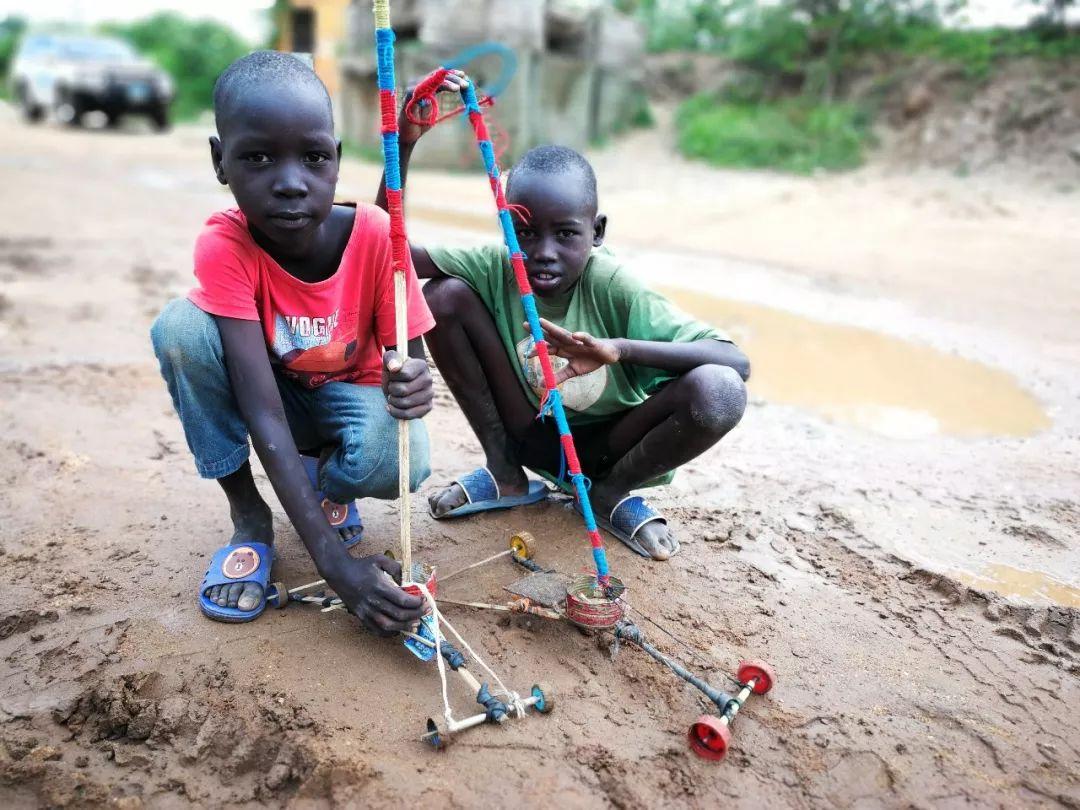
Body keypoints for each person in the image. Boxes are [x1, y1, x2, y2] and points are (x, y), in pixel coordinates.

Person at [378, 75, 750, 561]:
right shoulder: (497, 265)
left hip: (611, 448)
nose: (543, 253)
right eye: (525, 233)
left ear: (596, 233)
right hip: (532, 433)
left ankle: (608, 494)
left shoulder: (613, 284)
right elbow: (383, 249)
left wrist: (619, 349)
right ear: (506, 226)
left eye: (566, 235)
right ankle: (505, 472)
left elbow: (734, 362)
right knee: (443, 295)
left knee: (718, 390)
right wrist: (403, 145)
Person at [150, 51, 435, 633]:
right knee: (180, 329)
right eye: (257, 157)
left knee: (403, 456)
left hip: (335, 404)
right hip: (269, 396)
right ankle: (251, 516)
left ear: (335, 159)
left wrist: (414, 384)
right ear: (219, 161)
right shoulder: (226, 245)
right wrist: (337, 567)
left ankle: (326, 482)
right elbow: (261, 408)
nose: (289, 183)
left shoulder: (376, 235)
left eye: (313, 158)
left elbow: (409, 351)